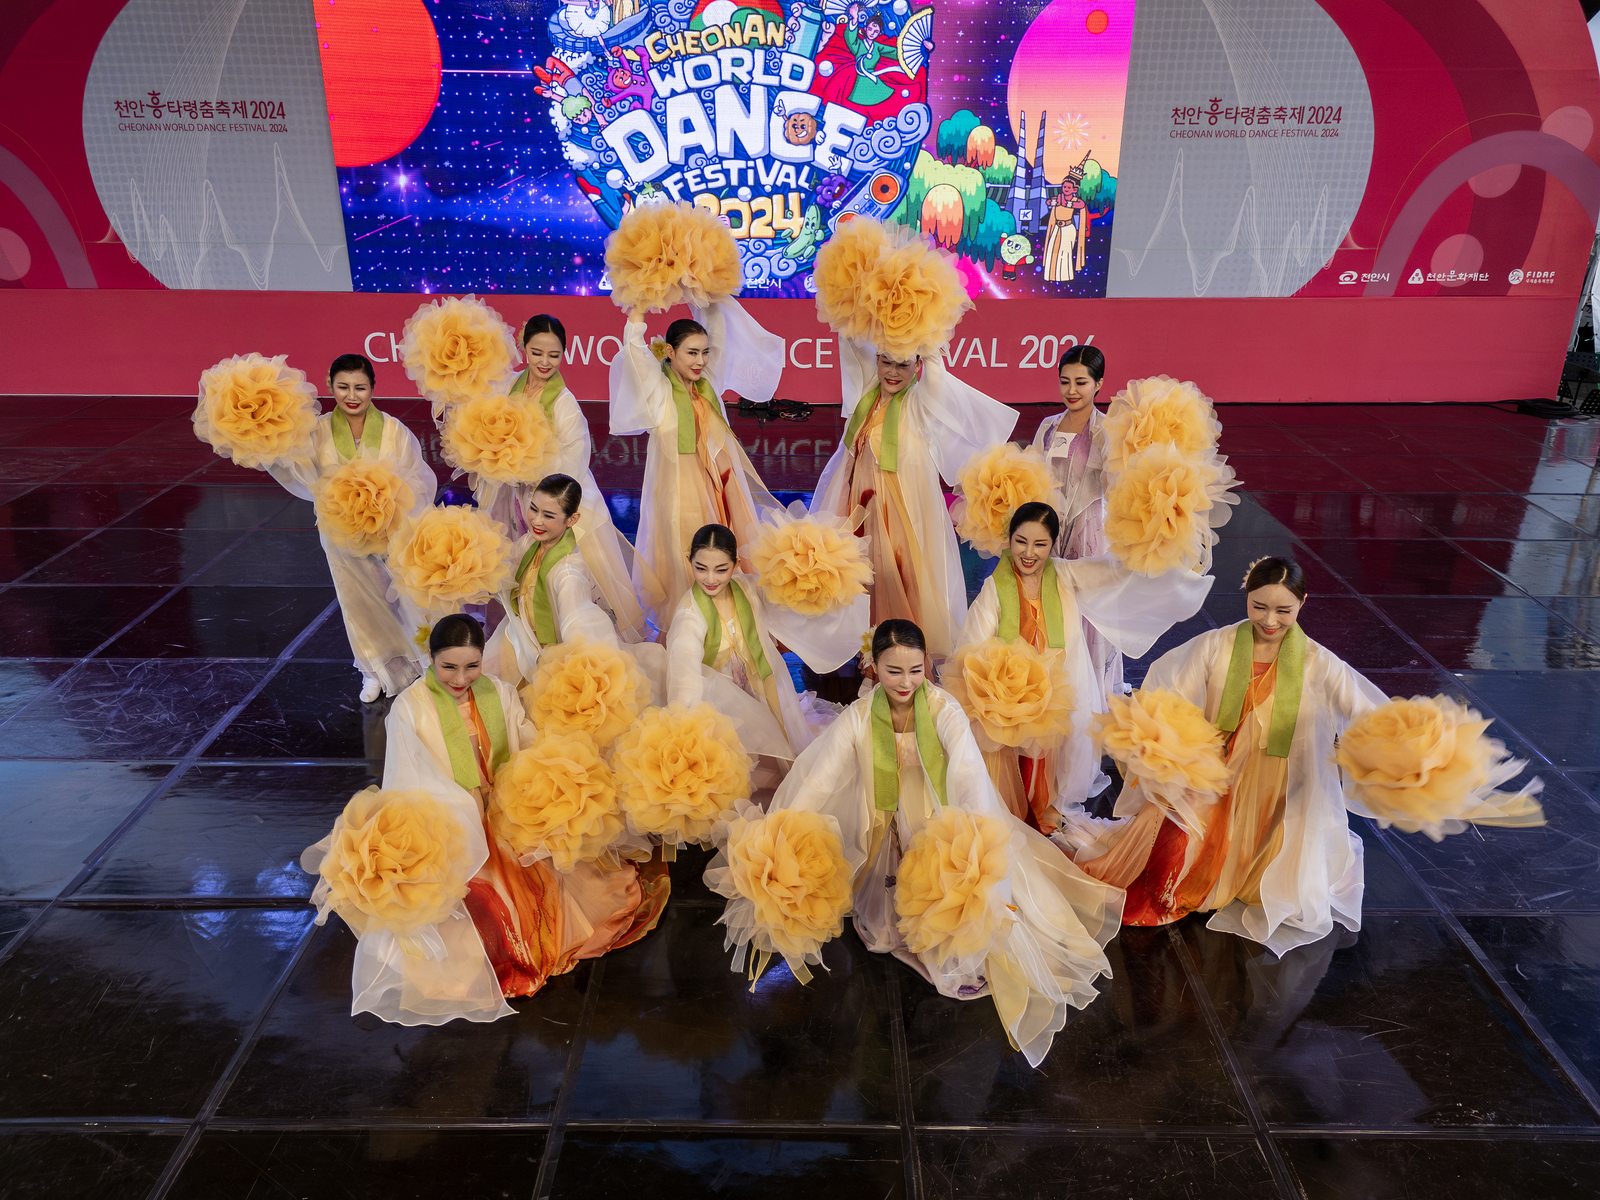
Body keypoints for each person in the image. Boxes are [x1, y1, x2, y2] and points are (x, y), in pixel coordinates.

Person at [710, 619, 1124, 1067]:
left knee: (947, 897)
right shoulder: (861, 716)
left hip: (935, 813)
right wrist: (788, 829)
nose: (906, 682)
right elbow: (822, 776)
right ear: (874, 667)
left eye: (914, 670)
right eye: (893, 671)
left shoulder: (943, 709)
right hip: (883, 813)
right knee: (884, 907)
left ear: (925, 664)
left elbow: (967, 773)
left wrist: (973, 835)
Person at [1064, 558, 1422, 955]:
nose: (1269, 620)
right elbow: (1171, 689)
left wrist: (1410, 745)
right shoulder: (1217, 645)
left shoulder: (1319, 662)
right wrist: (1167, 741)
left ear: (1303, 602)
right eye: (1259, 607)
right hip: (1215, 770)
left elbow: (1367, 711)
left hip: (1279, 779)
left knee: (1263, 876)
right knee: (1171, 870)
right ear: (1247, 597)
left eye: (1283, 610)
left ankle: (1246, 872)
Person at [334, 614, 668, 1023]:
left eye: (472, 666)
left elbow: (524, 744)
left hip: (506, 805)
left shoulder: (500, 693)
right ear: (430, 659)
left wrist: (541, 781)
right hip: (453, 818)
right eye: (449, 667)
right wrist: (467, 808)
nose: (461, 679)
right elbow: (410, 779)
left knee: (559, 877)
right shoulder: (409, 708)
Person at [954, 502, 1212, 835]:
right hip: (1015, 688)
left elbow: (1116, 571)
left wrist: (1158, 546)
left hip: (1060, 685)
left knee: (1059, 749)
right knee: (1019, 754)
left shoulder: (1064, 574)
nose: (1028, 553)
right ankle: (1021, 804)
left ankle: (1048, 804)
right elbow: (972, 644)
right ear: (1010, 539)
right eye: (1021, 542)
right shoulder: (995, 587)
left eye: (1040, 544)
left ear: (1053, 545)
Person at [811, 342, 1016, 660]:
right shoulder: (867, 396)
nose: (893, 372)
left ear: (917, 366)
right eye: (886, 362)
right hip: (863, 508)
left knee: (901, 579)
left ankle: (900, 657)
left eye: (903, 365)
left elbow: (935, 373)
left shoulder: (920, 403)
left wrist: (923, 332)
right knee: (865, 577)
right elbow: (853, 340)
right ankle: (870, 657)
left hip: (902, 514)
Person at [267, 353, 435, 702]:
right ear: (330, 385)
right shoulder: (317, 431)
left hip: (390, 529)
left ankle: (421, 661)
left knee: (404, 597)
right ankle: (373, 670)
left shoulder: (394, 430)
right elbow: (298, 470)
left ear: (373, 387)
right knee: (357, 601)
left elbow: (416, 479)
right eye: (343, 387)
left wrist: (389, 508)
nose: (352, 395)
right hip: (341, 532)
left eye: (360, 387)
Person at [479, 314, 655, 640]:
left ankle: (560, 634)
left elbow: (573, 461)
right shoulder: (506, 386)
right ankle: (511, 634)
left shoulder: (565, 403)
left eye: (554, 355)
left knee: (562, 571)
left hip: (551, 497)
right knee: (508, 563)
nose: (545, 362)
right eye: (537, 353)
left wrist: (526, 468)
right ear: (524, 348)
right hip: (509, 495)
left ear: (564, 353)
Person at [610, 313, 782, 626]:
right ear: (670, 351)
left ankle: (724, 623)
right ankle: (689, 625)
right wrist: (637, 311)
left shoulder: (705, 387)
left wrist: (702, 291)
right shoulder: (659, 389)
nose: (700, 361)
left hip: (718, 485)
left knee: (721, 551)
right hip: (679, 490)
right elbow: (634, 352)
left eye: (704, 353)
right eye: (691, 353)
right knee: (686, 553)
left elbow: (716, 324)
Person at [662, 524, 849, 782]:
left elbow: (786, 603)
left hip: (765, 682)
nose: (710, 579)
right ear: (689, 560)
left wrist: (806, 579)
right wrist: (687, 729)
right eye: (701, 568)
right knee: (741, 764)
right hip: (723, 699)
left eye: (721, 569)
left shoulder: (748, 587)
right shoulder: (688, 616)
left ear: (737, 564)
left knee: (785, 744)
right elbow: (685, 674)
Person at [1029, 346, 1121, 697]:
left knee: (1087, 613)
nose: (1071, 390)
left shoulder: (1107, 430)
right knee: (1050, 608)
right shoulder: (1048, 427)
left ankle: (1091, 694)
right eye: (1064, 381)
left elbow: (1116, 487)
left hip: (1088, 534)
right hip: (1049, 530)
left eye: (1081, 382)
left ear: (1099, 383)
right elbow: (1033, 475)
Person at [482, 474, 625, 688]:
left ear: (572, 520)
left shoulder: (568, 572)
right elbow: (503, 572)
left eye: (548, 515)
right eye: (533, 509)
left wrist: (569, 669)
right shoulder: (529, 543)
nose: (536, 521)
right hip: (520, 637)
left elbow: (576, 625)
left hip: (551, 651)